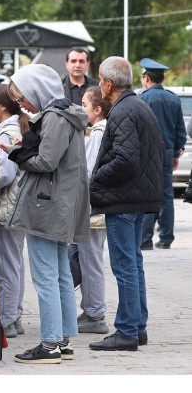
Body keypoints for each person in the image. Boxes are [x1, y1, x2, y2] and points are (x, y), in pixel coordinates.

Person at [0, 63, 89, 364]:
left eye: (22, 97)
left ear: (37, 91)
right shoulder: (65, 115)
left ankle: (50, 343)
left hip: (45, 205)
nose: (21, 104)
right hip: (58, 203)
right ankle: (62, 339)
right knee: (60, 272)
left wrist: (16, 153)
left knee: (45, 274)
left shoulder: (53, 118)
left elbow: (46, 162)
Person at [88, 56, 164, 352]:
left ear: (108, 83)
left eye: (100, 80)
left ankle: (127, 331)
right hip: (135, 198)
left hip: (123, 200)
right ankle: (137, 327)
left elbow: (126, 159)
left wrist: (96, 179)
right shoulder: (139, 106)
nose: (98, 86)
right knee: (133, 262)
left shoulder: (122, 111)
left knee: (125, 266)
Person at [0, 84, 29, 339]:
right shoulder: (15, 128)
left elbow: (4, 173)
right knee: (14, 263)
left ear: (2, 106)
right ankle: (15, 315)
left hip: (6, 207)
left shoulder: (5, 134)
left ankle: (8, 319)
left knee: (5, 265)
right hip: (17, 206)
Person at [69, 86, 111, 334]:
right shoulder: (96, 131)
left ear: (97, 109)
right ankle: (91, 310)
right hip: (90, 204)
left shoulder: (98, 133)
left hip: (90, 206)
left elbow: (87, 171)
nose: (81, 109)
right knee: (86, 258)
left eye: (84, 105)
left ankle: (95, 313)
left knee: (90, 259)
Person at [138, 58, 186, 250]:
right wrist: (175, 153)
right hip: (166, 153)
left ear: (146, 78)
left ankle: (145, 239)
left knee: (147, 194)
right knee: (166, 195)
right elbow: (180, 130)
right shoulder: (173, 98)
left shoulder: (142, 99)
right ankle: (166, 239)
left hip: (148, 152)